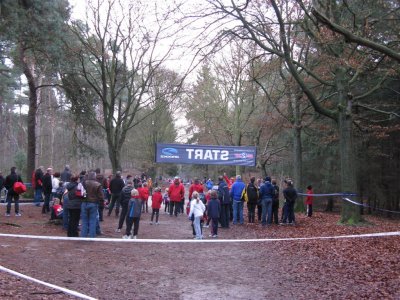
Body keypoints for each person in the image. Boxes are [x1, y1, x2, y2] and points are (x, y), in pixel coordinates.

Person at [80, 171, 104, 238]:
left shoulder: (83, 183)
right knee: (92, 220)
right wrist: (102, 204)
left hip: (84, 203)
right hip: (93, 203)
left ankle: (83, 235)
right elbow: (101, 196)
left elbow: (80, 192)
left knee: (84, 220)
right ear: (94, 176)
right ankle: (92, 236)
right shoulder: (98, 184)